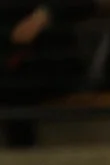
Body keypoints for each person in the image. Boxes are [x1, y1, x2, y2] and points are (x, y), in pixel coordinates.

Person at [2, 2, 84, 149]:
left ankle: (23, 150)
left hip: (47, 63)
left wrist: (43, 15)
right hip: (11, 63)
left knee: (16, 88)